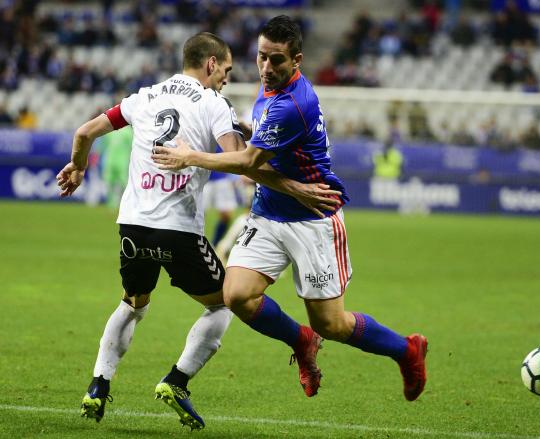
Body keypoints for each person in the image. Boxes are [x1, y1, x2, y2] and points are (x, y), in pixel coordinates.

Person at [56, 31, 341, 430]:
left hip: (132, 226)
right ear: (210, 64)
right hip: (177, 231)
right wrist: (296, 188)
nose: (226, 77)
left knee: (134, 302)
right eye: (224, 70)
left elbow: (84, 133)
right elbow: (244, 163)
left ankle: (98, 385)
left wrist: (79, 166)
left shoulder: (144, 96)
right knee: (223, 303)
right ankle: (177, 380)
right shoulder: (213, 103)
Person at [152, 15, 428, 402]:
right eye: (262, 57)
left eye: (276, 60)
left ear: (296, 59)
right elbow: (262, 150)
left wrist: (190, 157)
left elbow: (249, 163)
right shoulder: (271, 89)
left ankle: (406, 349)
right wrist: (249, 135)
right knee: (237, 295)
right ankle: (301, 341)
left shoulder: (295, 103)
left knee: (332, 324)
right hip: (268, 213)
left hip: (313, 220)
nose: (266, 67)